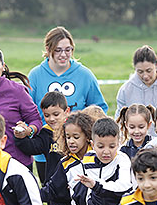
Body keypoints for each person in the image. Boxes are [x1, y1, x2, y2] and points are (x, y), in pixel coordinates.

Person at [27, 27, 108, 181]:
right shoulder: (36, 75)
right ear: (48, 49)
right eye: (58, 50)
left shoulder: (85, 75)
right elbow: (28, 111)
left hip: (79, 149)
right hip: (47, 151)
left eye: (67, 49)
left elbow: (99, 109)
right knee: (52, 195)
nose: (63, 54)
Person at [14, 92, 71, 205]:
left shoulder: (74, 131)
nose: (51, 119)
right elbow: (31, 147)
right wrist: (20, 137)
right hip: (54, 189)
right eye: (47, 115)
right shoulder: (46, 133)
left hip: (74, 185)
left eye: (56, 114)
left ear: (67, 112)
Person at [39, 112, 94, 205]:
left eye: (76, 137)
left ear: (87, 136)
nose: (71, 141)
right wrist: (29, 195)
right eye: (68, 137)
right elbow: (52, 189)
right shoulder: (66, 163)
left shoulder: (97, 157)